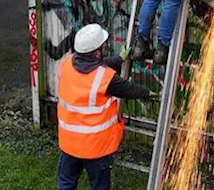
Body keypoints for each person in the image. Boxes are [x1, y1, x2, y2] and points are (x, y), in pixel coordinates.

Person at [57, 24, 155, 190]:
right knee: (100, 186)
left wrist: (119, 59)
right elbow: (128, 89)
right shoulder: (105, 79)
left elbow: (94, 65)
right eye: (102, 48)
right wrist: (148, 93)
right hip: (95, 148)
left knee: (66, 184)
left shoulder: (66, 64)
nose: (104, 50)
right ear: (96, 53)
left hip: (69, 145)